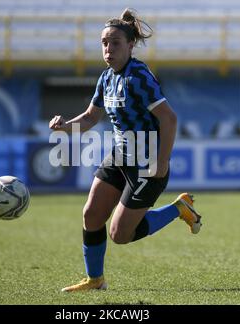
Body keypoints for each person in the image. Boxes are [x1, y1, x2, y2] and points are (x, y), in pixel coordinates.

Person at [49, 8, 202, 292]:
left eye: (115, 43)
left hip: (147, 163)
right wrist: (65, 126)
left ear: (131, 45)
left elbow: (169, 118)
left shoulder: (139, 76)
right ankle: (95, 280)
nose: (108, 49)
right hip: (120, 155)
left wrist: (162, 162)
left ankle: (179, 208)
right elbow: (91, 117)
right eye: (104, 43)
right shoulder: (106, 78)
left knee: (119, 234)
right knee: (91, 214)